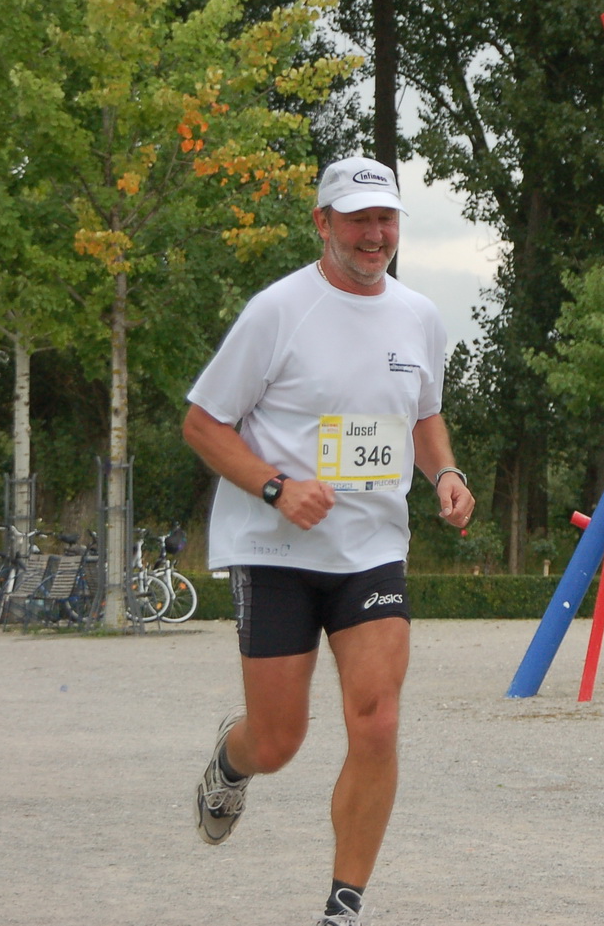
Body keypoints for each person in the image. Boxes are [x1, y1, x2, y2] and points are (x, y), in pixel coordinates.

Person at [181, 156, 474, 926]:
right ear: (323, 223)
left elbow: (421, 417)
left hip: (371, 549)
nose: (374, 235)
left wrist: (445, 471)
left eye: (386, 220)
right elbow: (202, 423)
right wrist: (276, 487)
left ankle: (344, 905)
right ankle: (232, 759)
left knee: (376, 719)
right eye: (357, 220)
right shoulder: (279, 311)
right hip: (275, 548)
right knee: (279, 739)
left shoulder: (419, 316)